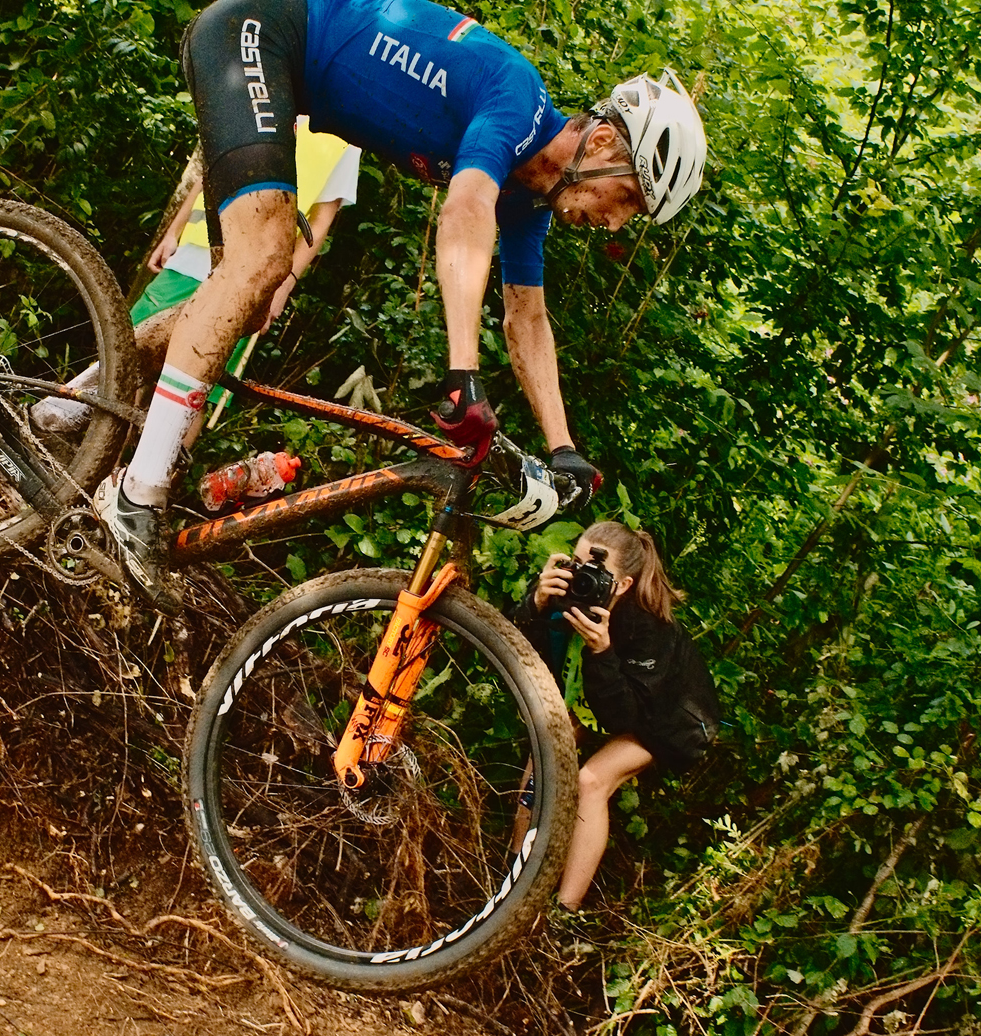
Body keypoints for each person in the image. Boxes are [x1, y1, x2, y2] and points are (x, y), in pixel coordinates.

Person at [92, 0, 708, 615]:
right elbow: (465, 210)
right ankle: (137, 496)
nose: (616, 221)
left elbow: (526, 316)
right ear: (600, 141)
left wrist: (563, 448)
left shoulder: (530, 197)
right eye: (628, 196)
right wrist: (463, 372)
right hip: (260, 29)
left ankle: (73, 408)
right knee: (263, 258)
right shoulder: (517, 100)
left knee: (243, 302)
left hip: (286, 74)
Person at [33, 117, 361, 434]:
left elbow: (320, 222)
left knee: (194, 384)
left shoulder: (346, 137)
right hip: (194, 253)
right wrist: (173, 232)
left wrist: (283, 286)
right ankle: (98, 454)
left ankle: (144, 469)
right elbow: (213, 169)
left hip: (254, 274)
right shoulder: (264, 94)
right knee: (128, 350)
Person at [510, 521, 721, 911]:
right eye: (577, 564)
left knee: (591, 781)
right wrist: (535, 603)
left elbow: (623, 717)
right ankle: (513, 878)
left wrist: (601, 651)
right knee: (544, 749)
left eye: (596, 571)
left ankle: (565, 911)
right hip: (600, 697)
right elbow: (514, 648)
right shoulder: (566, 592)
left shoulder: (648, 625)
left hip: (669, 719)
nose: (583, 578)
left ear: (623, 584)